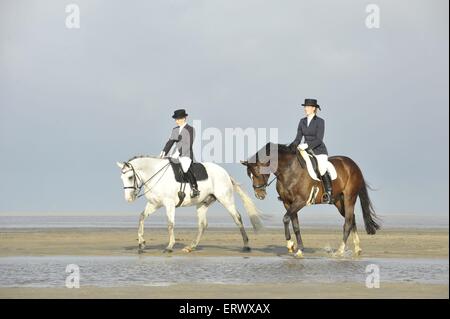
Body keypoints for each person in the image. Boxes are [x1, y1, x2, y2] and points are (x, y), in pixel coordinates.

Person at [289, 98, 334, 204]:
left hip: (318, 150)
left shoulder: (320, 122)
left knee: (322, 169)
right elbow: (298, 138)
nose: (305, 109)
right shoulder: (302, 121)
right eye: (305, 107)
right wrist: (292, 147)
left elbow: (319, 139)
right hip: (305, 150)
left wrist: (306, 145)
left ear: (314, 109)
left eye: (308, 107)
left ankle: (328, 193)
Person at [159, 109, 200, 198]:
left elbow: (188, 144)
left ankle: (194, 188)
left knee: (185, 167)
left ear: (184, 118)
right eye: (176, 119)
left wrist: (178, 153)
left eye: (178, 119)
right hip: (175, 154)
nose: (176, 121)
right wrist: (164, 152)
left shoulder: (190, 129)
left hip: (186, 154)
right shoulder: (175, 129)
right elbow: (170, 142)